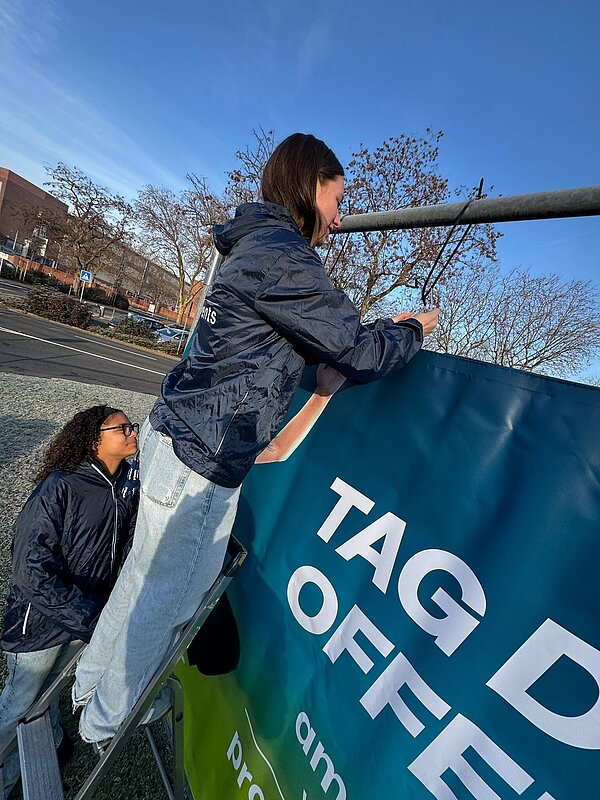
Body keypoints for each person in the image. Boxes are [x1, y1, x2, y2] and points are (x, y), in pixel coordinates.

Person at [73, 132, 440, 745]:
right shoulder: (286, 256)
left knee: (141, 578)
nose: (340, 216)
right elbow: (353, 345)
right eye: (336, 198)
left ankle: (89, 690)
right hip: (203, 456)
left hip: (176, 435)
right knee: (165, 598)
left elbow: (310, 330)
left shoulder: (250, 243)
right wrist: (411, 332)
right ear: (310, 186)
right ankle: (106, 721)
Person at [0, 406, 139, 797]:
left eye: (133, 426)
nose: (132, 432)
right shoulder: (60, 485)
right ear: (94, 439)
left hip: (85, 622)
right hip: (41, 624)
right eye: (122, 428)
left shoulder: (128, 485)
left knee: (45, 700)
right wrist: (90, 617)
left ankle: (20, 772)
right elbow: (30, 569)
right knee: (19, 705)